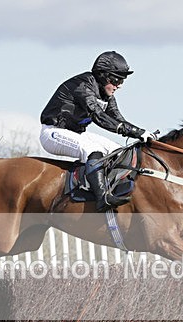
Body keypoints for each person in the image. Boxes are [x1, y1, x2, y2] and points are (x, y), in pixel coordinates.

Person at [40, 51, 155, 211]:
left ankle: (113, 189)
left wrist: (142, 132)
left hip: (76, 133)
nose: (119, 85)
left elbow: (118, 120)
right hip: (53, 132)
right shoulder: (83, 86)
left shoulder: (106, 94)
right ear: (103, 76)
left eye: (122, 80)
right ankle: (102, 198)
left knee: (118, 151)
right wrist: (135, 132)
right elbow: (98, 116)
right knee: (93, 150)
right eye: (117, 79)